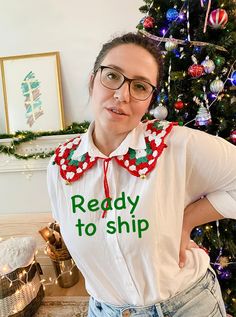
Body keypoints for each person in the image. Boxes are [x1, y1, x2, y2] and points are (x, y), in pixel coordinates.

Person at [47, 32, 236, 317]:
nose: (122, 95)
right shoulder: (60, 167)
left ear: (149, 101)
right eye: (112, 76)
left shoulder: (176, 146)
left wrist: (187, 220)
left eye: (139, 86)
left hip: (188, 307)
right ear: (92, 80)